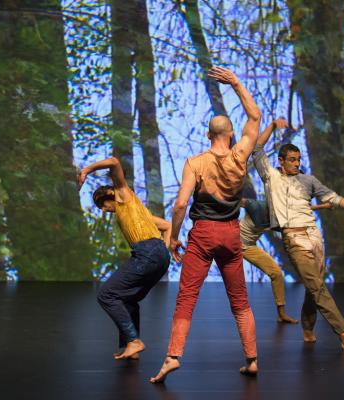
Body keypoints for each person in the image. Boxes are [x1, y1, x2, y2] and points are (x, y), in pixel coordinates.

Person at [150, 66, 261, 383]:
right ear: (231, 134)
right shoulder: (240, 156)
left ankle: (173, 357)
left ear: (208, 135)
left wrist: (173, 237)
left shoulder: (195, 163)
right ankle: (252, 360)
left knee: (186, 297)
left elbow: (180, 204)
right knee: (240, 301)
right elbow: (254, 117)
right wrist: (235, 82)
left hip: (203, 235)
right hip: (231, 234)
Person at [252, 119, 344, 351]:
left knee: (315, 287)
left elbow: (334, 198)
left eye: (298, 159)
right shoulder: (271, 177)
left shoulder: (308, 180)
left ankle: (308, 326)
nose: (296, 163)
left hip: (314, 236)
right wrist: (272, 126)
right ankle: (343, 332)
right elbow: (257, 148)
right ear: (281, 161)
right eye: (292, 159)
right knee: (316, 285)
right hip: (294, 238)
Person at [77, 156, 171, 360]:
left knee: (106, 295)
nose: (104, 210)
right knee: (128, 299)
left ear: (110, 194)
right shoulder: (137, 210)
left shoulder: (123, 195)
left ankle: (134, 341)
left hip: (147, 252)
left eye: (102, 205)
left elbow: (114, 161)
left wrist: (86, 170)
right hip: (160, 256)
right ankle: (130, 346)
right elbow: (166, 225)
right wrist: (164, 248)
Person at [240, 197, 300, 323]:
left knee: (276, 273)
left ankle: (281, 314)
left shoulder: (277, 219)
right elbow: (234, 201)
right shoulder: (254, 205)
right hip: (231, 243)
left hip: (249, 247)